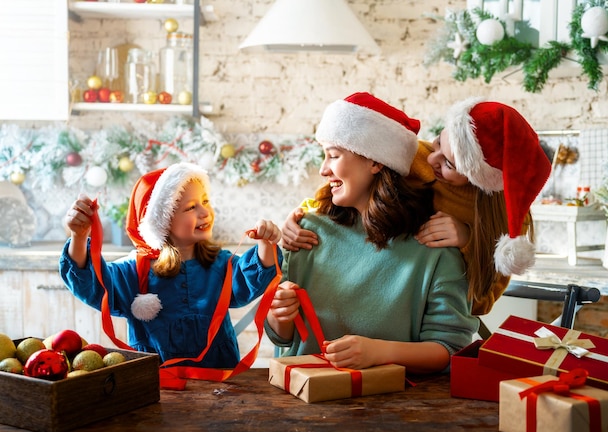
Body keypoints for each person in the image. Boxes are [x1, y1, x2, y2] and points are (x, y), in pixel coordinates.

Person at [266, 92, 479, 375]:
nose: (323, 169)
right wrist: (279, 315)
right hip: (302, 404)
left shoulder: (435, 247)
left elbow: (450, 349)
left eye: (333, 155)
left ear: (375, 162)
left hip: (395, 410)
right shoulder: (306, 232)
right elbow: (282, 339)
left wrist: (380, 352)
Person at [281, 96, 552, 315]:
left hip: (426, 316)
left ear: (479, 178)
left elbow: (480, 303)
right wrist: (303, 215)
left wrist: (468, 240)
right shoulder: (415, 156)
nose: (432, 158)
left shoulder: (508, 217)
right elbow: (343, 186)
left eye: (448, 164)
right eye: (437, 143)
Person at [60, 162, 282, 368]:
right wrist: (79, 237)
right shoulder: (133, 272)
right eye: (190, 208)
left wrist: (265, 244)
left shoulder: (220, 263)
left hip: (218, 380)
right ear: (161, 221)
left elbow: (247, 282)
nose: (205, 212)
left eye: (205, 202)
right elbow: (93, 285)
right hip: (155, 385)